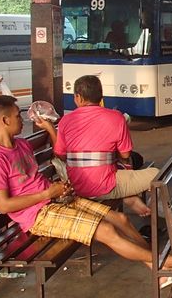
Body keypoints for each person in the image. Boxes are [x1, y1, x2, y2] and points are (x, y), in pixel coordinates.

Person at [0, 95, 172, 288]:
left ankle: (158, 270)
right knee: (108, 231)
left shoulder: (21, 144)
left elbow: (40, 174)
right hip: (37, 216)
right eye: (16, 116)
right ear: (4, 120)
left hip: (55, 200)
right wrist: (47, 194)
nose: (21, 119)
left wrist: (56, 190)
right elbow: (4, 206)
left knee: (121, 220)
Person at [40, 75, 157, 217]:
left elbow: (60, 154)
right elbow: (126, 155)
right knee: (156, 173)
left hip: (77, 185)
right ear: (101, 97)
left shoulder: (66, 120)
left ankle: (131, 198)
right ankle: (138, 202)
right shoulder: (116, 117)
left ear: (79, 98)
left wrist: (51, 129)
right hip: (105, 186)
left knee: (123, 178)